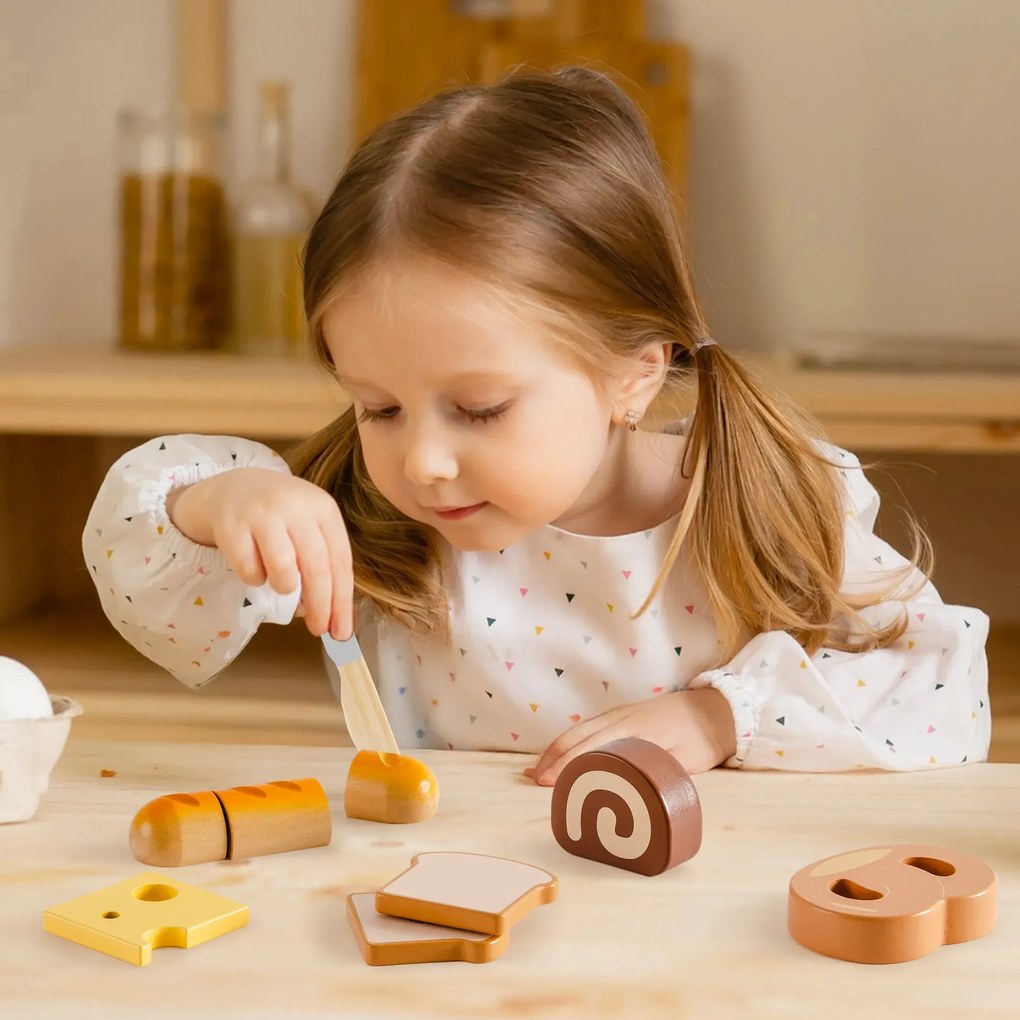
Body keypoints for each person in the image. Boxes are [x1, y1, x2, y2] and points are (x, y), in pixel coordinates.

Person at [83, 66, 990, 785]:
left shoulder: (768, 497)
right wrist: (219, 501)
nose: (426, 461)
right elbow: (146, 575)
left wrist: (717, 719)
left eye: (480, 409)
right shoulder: (369, 517)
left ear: (634, 376)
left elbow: (942, 690)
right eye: (379, 407)